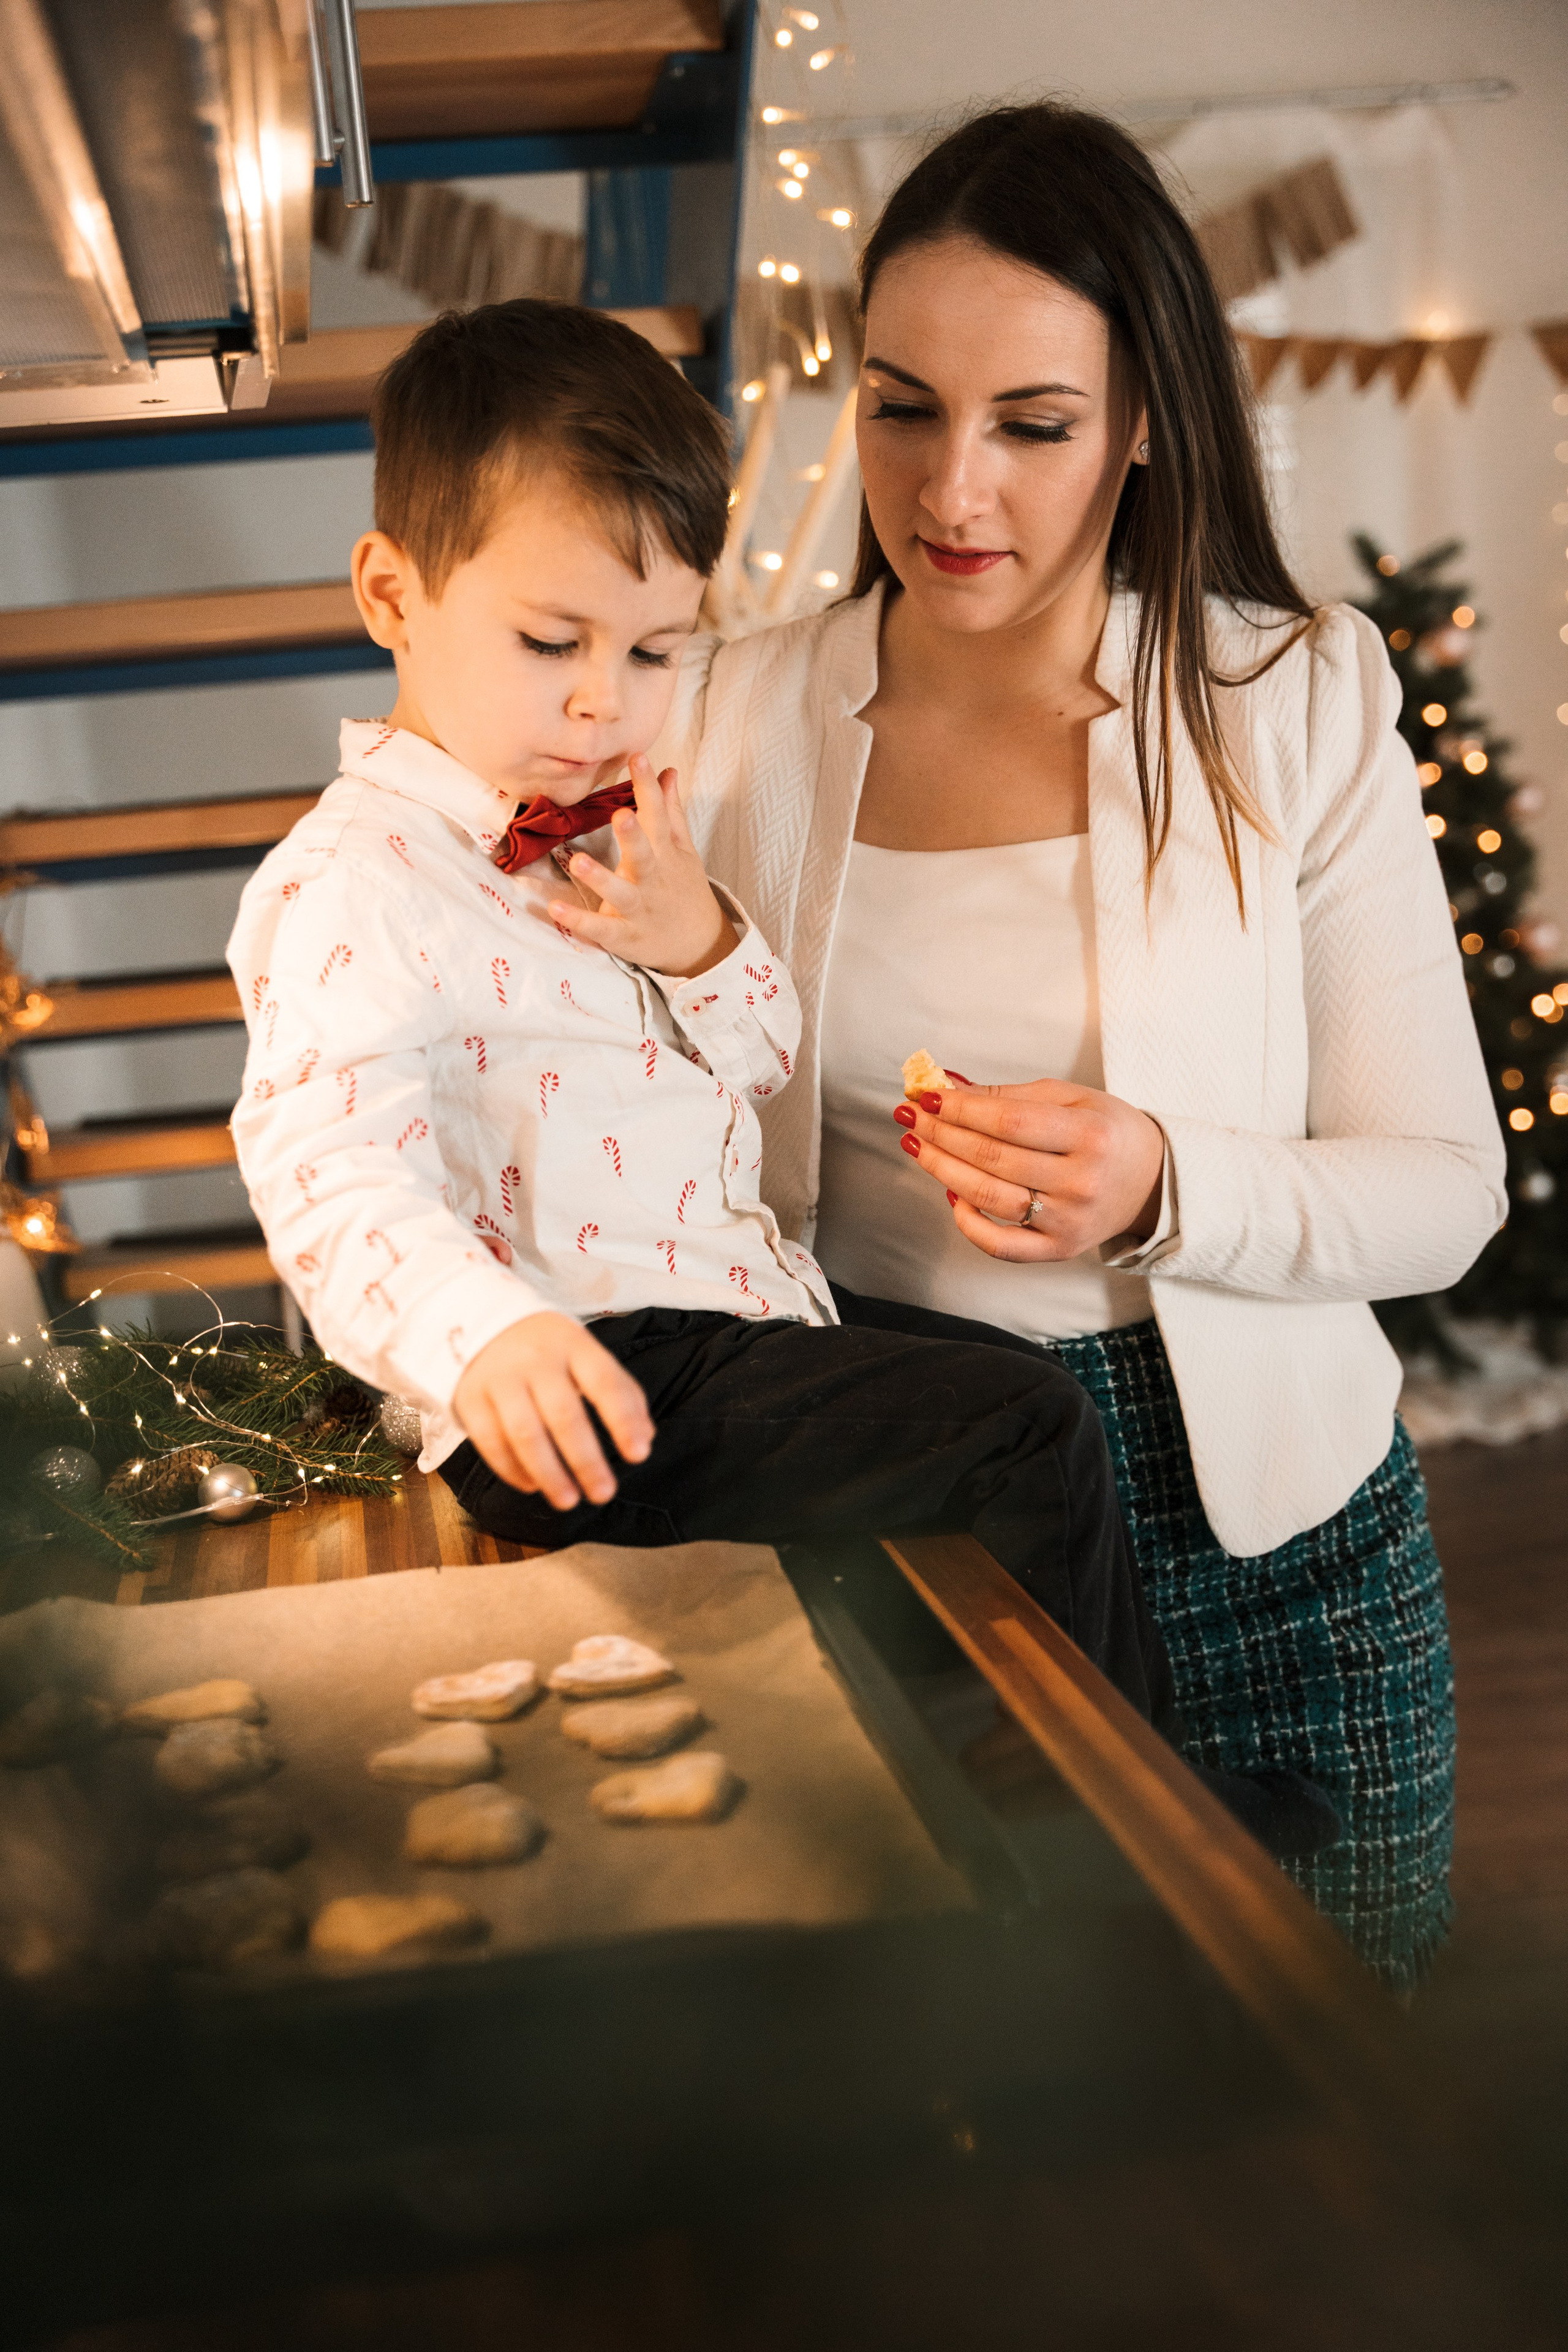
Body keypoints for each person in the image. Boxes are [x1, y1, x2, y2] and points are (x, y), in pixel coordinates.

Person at [225, 300, 1330, 1853]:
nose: (605, 699)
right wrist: (478, 1337)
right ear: (390, 594)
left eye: (655, 648)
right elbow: (328, 1166)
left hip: (726, 1319)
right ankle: (1109, 1838)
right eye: (552, 644)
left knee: (992, 1411)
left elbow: (750, 1067)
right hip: (580, 1384)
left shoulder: (612, 826)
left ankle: (1088, 1792)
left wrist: (695, 944)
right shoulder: (351, 884)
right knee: (1024, 1428)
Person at [657, 106, 1504, 1987]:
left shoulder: (1291, 699)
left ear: (1139, 427)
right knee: (1014, 2153)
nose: (953, 491)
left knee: (1342, 2168)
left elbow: (1447, 1193)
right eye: (901, 407)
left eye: (1032, 425)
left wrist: (1166, 1182)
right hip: (917, 1534)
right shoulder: (730, 715)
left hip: (1284, 1551)